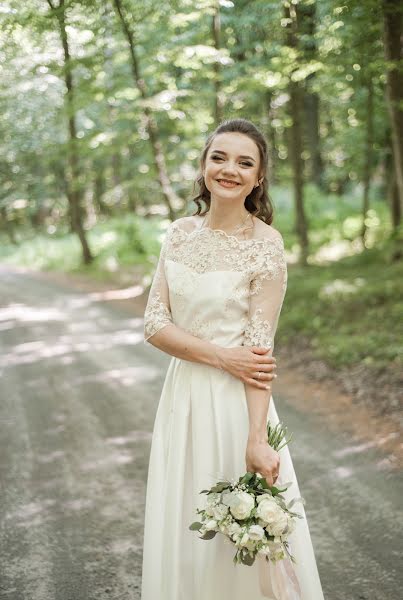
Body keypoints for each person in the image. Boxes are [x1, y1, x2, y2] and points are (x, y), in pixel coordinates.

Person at [141, 118, 324, 599]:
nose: (229, 169)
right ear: (203, 166)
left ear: (258, 178)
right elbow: (154, 325)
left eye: (245, 162)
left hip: (235, 408)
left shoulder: (266, 245)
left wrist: (257, 438)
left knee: (240, 536)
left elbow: (259, 353)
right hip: (183, 400)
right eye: (219, 157)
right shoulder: (178, 234)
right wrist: (223, 356)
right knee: (186, 526)